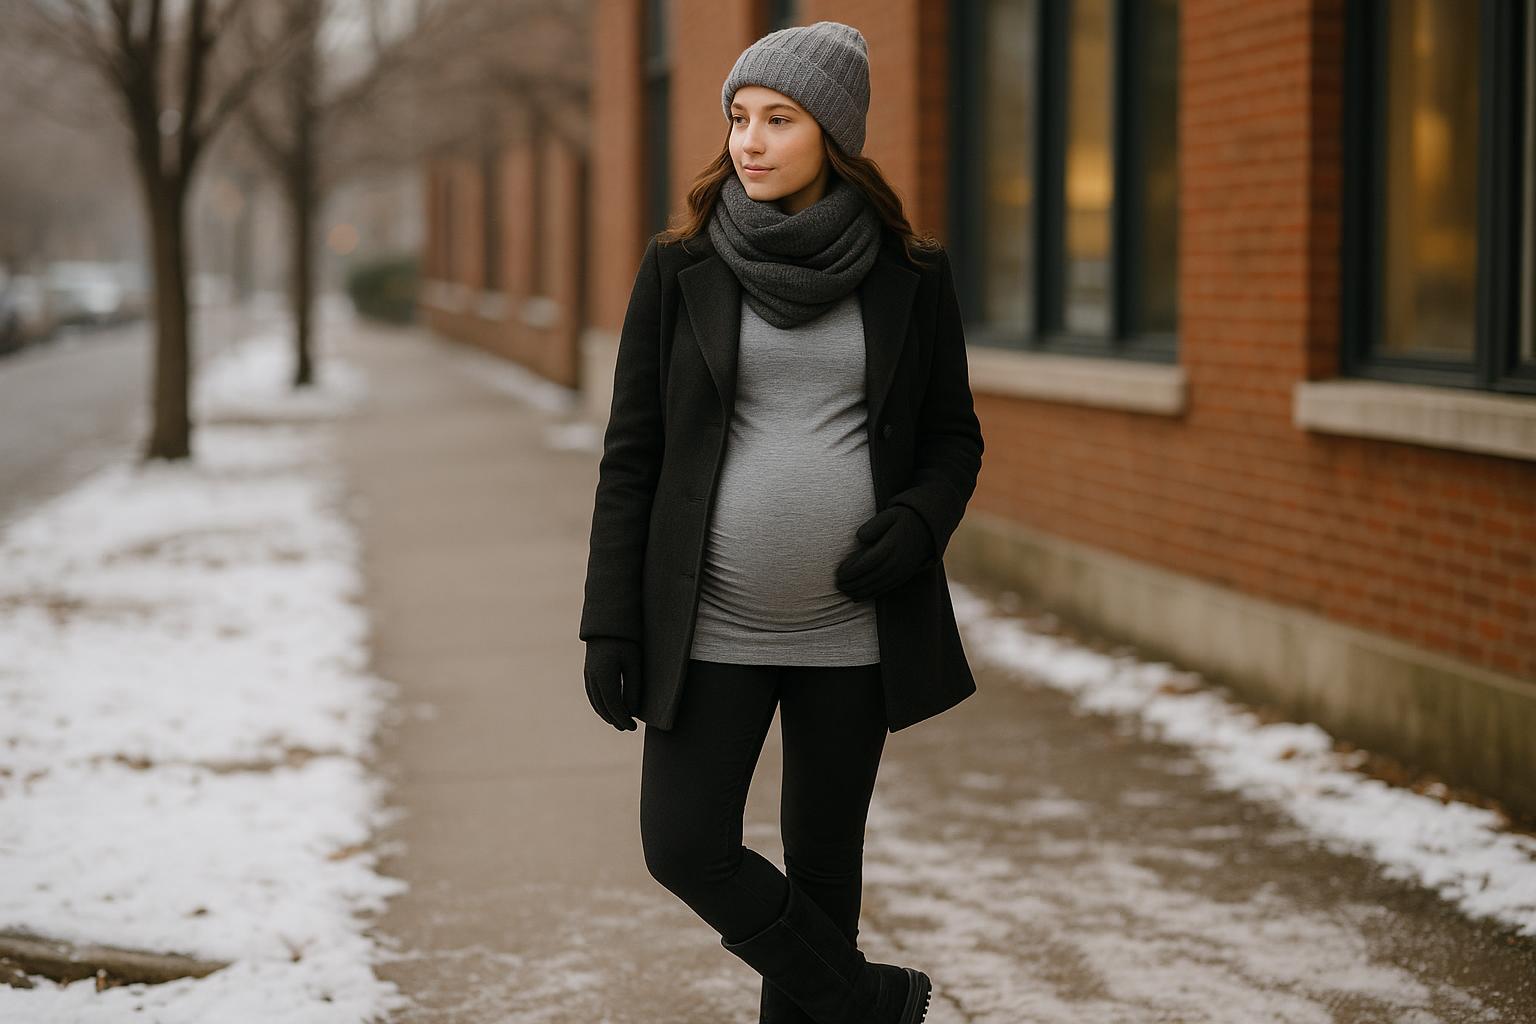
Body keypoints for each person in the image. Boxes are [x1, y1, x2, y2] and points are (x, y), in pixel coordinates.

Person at [579, 20, 984, 1024]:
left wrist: (920, 520)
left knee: (824, 867)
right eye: (739, 118)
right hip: (709, 622)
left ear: (833, 135)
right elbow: (632, 456)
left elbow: (953, 437)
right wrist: (610, 623)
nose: (749, 142)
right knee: (684, 845)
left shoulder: (910, 271)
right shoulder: (680, 266)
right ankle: (872, 999)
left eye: (778, 120)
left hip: (853, 629)